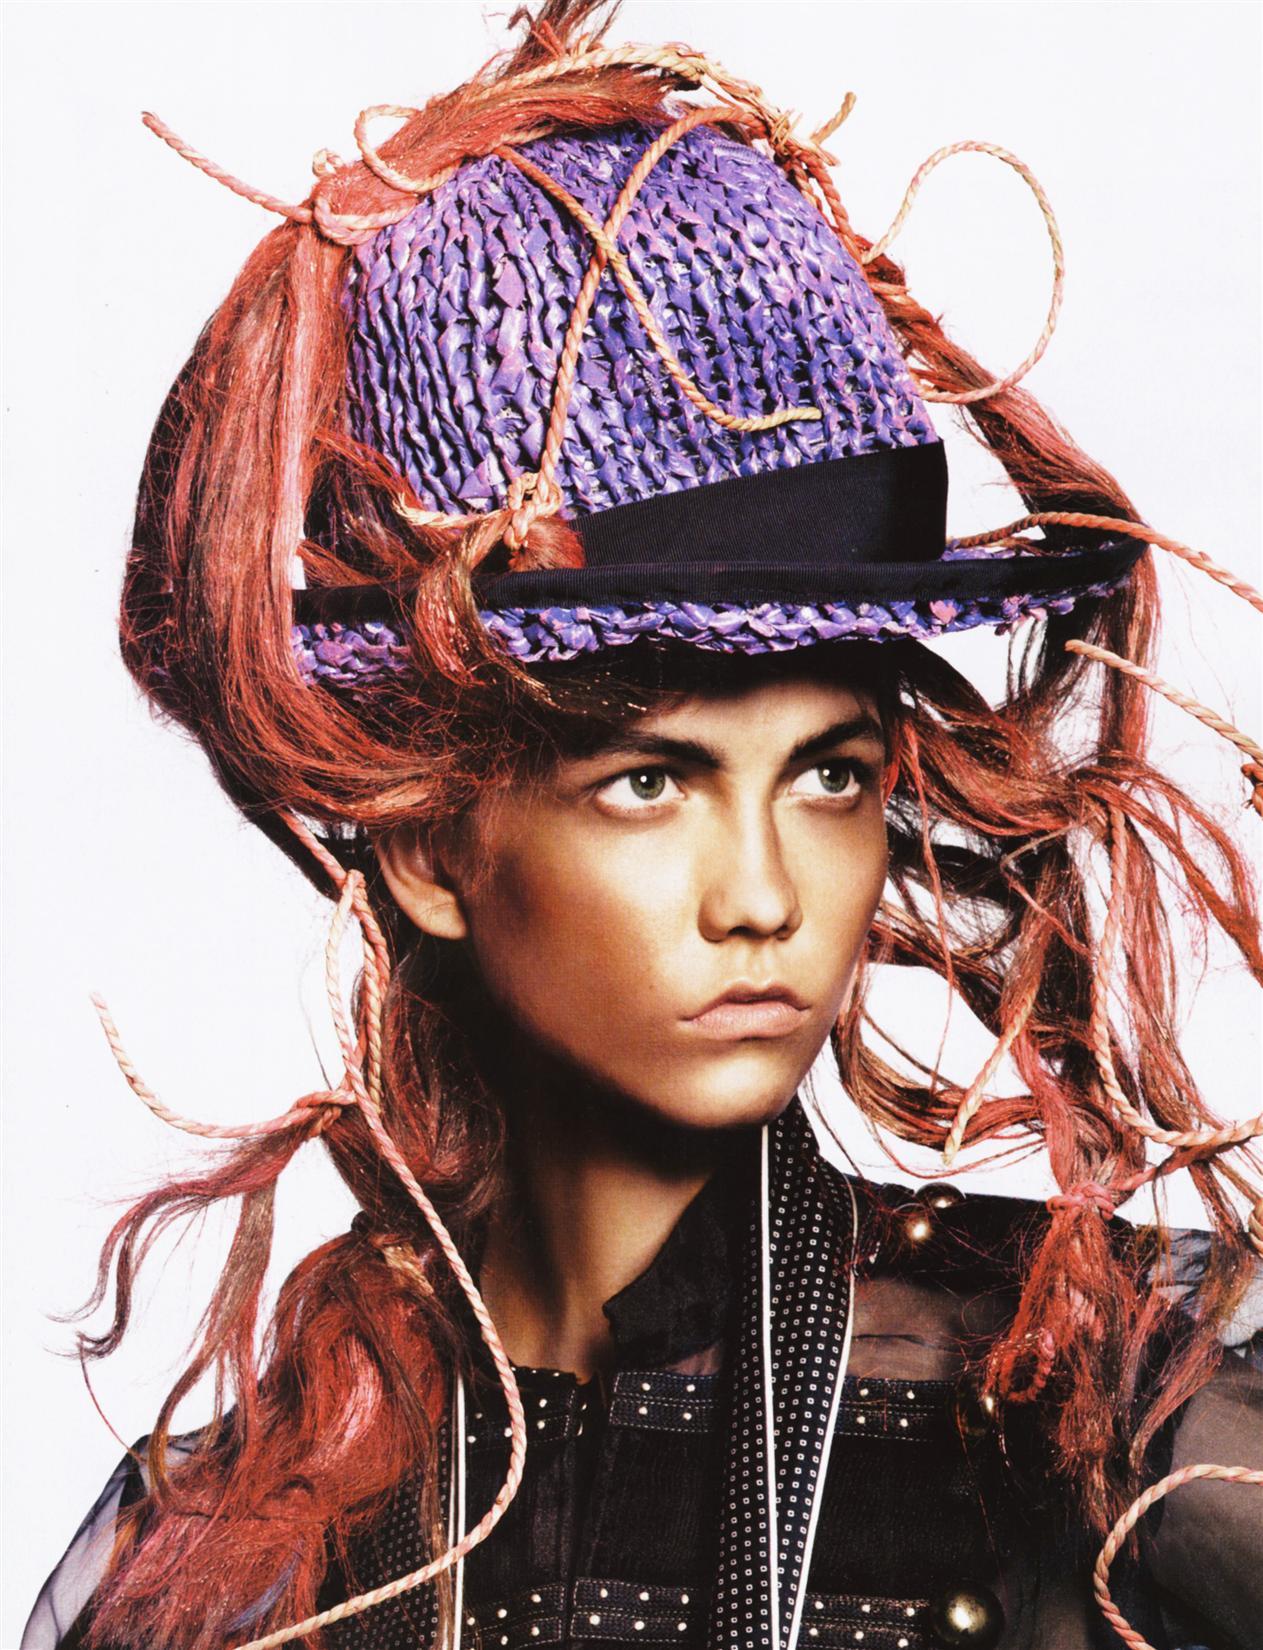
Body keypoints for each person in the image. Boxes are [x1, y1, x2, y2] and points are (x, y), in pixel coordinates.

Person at [21, 3, 1263, 1648]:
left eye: (829, 774)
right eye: (651, 781)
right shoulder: (234, 1541)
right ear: (429, 845)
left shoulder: (1105, 1418)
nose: (765, 896)